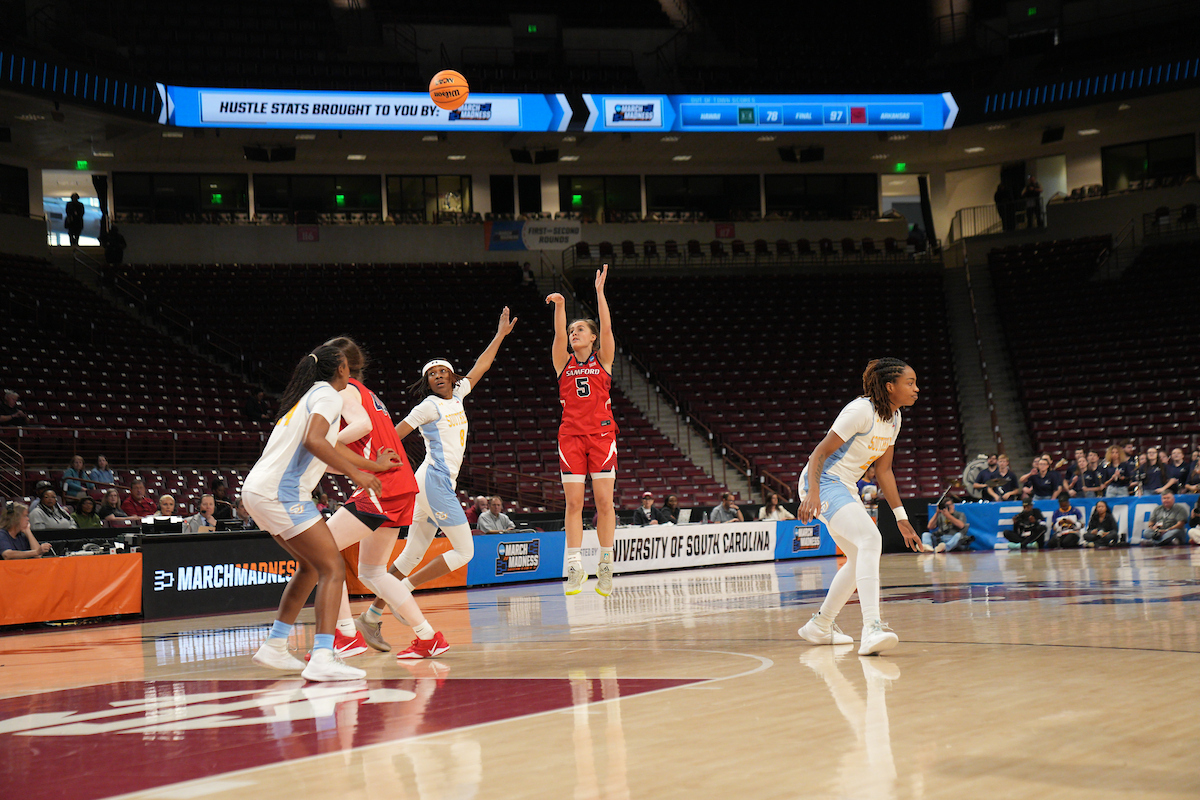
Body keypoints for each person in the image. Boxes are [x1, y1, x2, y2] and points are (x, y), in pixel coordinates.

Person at [360, 313, 515, 656]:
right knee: (465, 551)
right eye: (431, 374)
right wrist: (375, 463)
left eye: (442, 370)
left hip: (433, 483)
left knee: (413, 551)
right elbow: (395, 433)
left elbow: (481, 366)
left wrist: (500, 334)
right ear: (428, 383)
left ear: (452, 376)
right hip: (433, 482)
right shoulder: (428, 406)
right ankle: (405, 593)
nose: (438, 375)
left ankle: (371, 615)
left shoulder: (459, 394)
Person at [246, 344, 390, 682]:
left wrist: (372, 465)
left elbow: (330, 445)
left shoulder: (310, 395)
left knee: (312, 567)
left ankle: (275, 645)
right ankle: (324, 655)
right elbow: (315, 441)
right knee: (332, 566)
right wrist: (359, 475)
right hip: (281, 493)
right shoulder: (329, 395)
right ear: (342, 368)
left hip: (258, 490)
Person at [797, 358, 922, 656]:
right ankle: (872, 628)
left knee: (858, 559)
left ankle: (820, 624)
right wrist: (812, 493)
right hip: (824, 482)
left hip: (845, 487)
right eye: (910, 383)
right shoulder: (859, 411)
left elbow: (884, 472)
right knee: (870, 539)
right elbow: (819, 454)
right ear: (890, 386)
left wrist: (901, 518)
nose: (916, 389)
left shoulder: (894, 418)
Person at [547, 265, 619, 597]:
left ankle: (606, 564)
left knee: (604, 502)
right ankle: (574, 565)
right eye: (572, 330)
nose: (574, 333)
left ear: (592, 337)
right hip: (571, 437)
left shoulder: (603, 359)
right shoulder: (564, 362)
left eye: (580, 329)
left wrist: (601, 293)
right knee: (573, 503)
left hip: (602, 436)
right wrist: (561, 307)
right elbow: (559, 336)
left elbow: (606, 326)